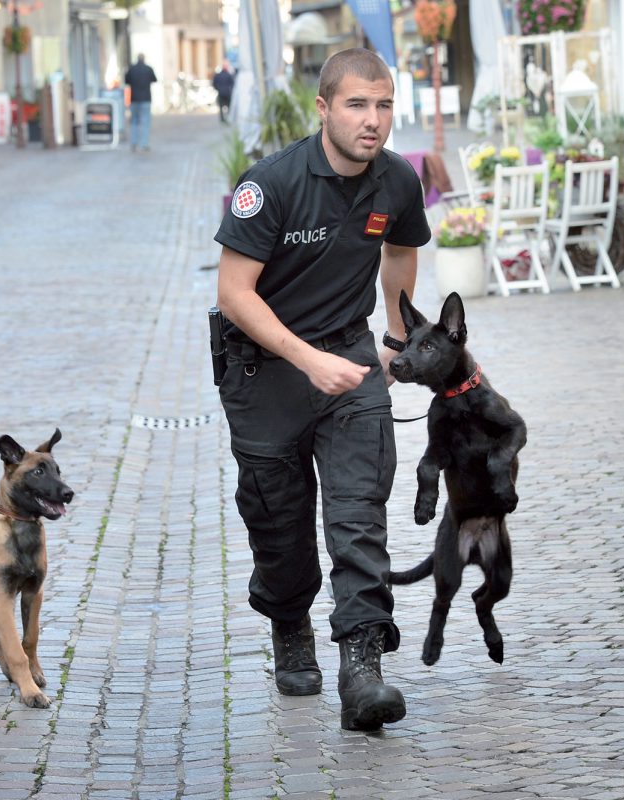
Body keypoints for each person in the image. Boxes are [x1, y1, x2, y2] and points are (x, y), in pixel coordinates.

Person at [212, 48, 431, 732]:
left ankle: (362, 668)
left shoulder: (396, 181)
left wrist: (396, 338)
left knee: (358, 514)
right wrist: (305, 359)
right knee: (279, 530)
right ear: (324, 108)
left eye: (384, 105)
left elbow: (400, 251)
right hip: (264, 373)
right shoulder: (271, 184)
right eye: (357, 105)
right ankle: (288, 622)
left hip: (351, 368)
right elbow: (233, 293)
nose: (373, 121)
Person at [124, 54, 157, 152]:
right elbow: (154, 79)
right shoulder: (148, 69)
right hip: (146, 98)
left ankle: (134, 143)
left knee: (134, 121)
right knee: (145, 121)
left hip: (134, 99)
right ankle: (144, 143)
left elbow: (126, 81)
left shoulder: (131, 69)